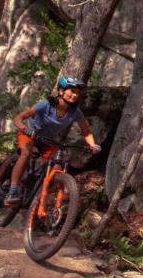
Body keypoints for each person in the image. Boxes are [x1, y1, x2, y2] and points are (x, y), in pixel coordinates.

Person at [6, 75, 101, 205]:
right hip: (30, 133)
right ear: (62, 91)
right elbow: (18, 118)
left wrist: (92, 144)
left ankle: (43, 200)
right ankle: (13, 191)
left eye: (78, 93)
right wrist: (25, 129)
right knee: (26, 153)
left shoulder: (76, 112)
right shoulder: (46, 104)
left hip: (48, 140)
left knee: (57, 167)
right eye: (72, 91)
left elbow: (86, 132)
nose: (75, 95)